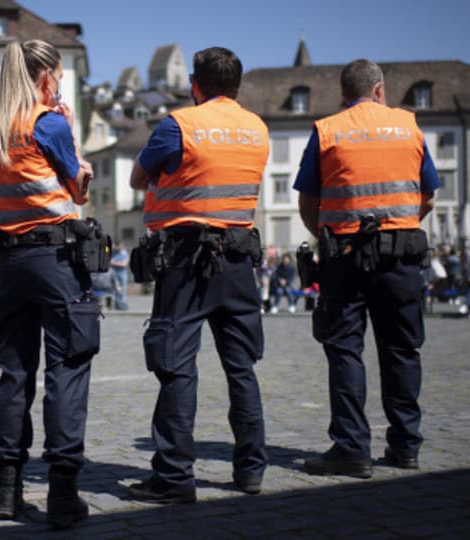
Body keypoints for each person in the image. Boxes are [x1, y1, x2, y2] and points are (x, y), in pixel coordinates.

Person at [127, 46, 269, 502]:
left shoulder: (179, 124)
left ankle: (173, 478)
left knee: (177, 367)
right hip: (238, 256)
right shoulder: (257, 129)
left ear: (195, 84)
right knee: (241, 367)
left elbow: (136, 177)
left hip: (187, 258)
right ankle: (250, 470)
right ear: (236, 85)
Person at [0, 38, 98, 528]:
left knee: (15, 372)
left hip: (9, 262)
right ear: (46, 78)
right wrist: (78, 159)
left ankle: (7, 489)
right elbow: (76, 188)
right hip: (56, 256)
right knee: (68, 366)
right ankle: (63, 493)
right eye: (59, 77)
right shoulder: (48, 121)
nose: (60, 85)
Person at [295, 59, 441, 478]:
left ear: (344, 94)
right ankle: (405, 446)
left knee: (344, 350)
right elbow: (427, 195)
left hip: (344, 255)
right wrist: (400, 224)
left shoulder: (328, 130)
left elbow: (308, 201)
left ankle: (352, 448)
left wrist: (325, 232)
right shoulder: (408, 126)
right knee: (401, 349)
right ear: (380, 90)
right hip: (401, 255)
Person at [110, 243, 129, 310]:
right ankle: (115, 304)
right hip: (114, 274)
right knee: (114, 289)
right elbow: (109, 261)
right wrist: (119, 263)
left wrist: (114, 263)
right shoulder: (113, 253)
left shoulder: (124, 254)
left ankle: (121, 304)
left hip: (122, 274)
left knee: (122, 289)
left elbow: (124, 264)